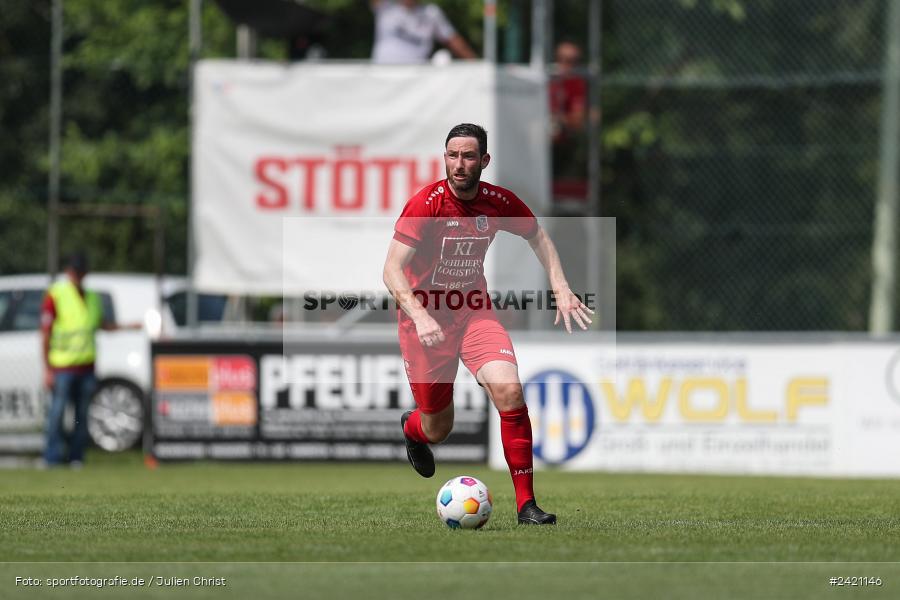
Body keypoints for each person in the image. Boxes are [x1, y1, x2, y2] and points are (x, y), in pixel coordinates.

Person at [383, 123, 593, 525]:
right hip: (423, 323)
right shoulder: (425, 204)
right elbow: (391, 270)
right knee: (438, 427)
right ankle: (412, 430)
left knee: (510, 392)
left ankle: (526, 506)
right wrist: (420, 314)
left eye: (467, 156)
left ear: (484, 161)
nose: (458, 165)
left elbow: (539, 237)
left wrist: (561, 287)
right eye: (452, 155)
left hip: (474, 311)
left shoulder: (498, 202)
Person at [40, 252, 139, 467]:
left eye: (81, 272)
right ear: (68, 272)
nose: (78, 276)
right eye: (75, 272)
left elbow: (102, 324)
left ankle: (76, 456)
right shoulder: (56, 294)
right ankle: (51, 457)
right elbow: (45, 333)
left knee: (80, 416)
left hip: (86, 367)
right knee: (57, 414)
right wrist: (47, 368)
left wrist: (129, 326)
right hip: (62, 366)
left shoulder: (92, 297)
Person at [371, 0, 477, 64]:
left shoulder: (431, 13)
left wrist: (477, 66)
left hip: (417, 80)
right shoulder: (385, 8)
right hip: (382, 76)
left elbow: (453, 40)